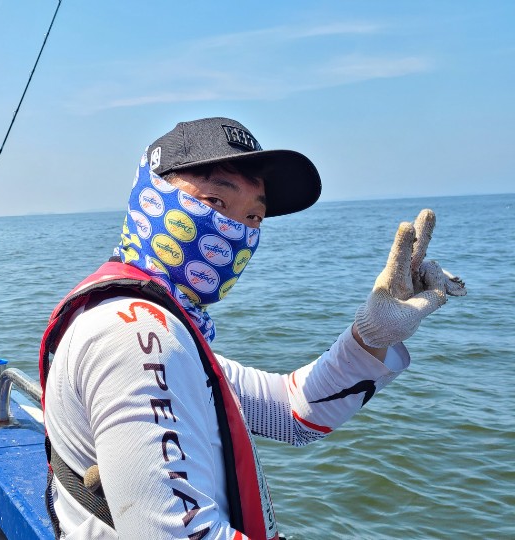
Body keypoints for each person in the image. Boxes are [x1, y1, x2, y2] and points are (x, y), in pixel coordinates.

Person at [39, 117, 467, 539]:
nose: (235, 230)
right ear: (151, 194)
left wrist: (372, 336)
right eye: (215, 201)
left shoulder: (160, 325)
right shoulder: (135, 333)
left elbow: (293, 413)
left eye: (254, 216)